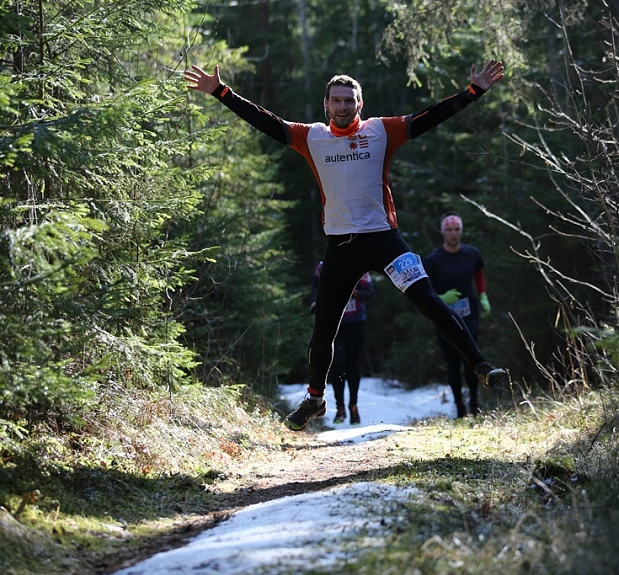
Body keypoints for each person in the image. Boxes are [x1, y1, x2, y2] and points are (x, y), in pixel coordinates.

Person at [184, 59, 509, 432]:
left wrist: (473, 91)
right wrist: (221, 92)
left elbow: (429, 117)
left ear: (360, 103)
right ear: (326, 105)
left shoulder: (381, 131)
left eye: (348, 100)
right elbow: (266, 121)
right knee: (324, 328)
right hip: (341, 245)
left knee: (430, 302)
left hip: (384, 239)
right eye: (335, 100)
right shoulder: (312, 137)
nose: (342, 106)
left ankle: (481, 365)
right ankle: (315, 399)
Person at [424, 212, 491, 418]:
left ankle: (474, 403)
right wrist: (441, 298)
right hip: (444, 316)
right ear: (443, 232)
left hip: (469, 313)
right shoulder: (433, 260)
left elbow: (478, 275)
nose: (453, 234)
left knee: (471, 360)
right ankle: (459, 406)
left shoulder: (472, 254)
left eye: (457, 229)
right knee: (452, 363)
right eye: (449, 230)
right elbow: (424, 289)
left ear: (461, 231)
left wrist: (482, 296)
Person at [310, 261, 373, 425]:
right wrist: (314, 302)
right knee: (337, 363)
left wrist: (353, 292)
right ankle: (340, 408)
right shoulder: (323, 266)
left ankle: (353, 406)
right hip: (334, 322)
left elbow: (370, 294)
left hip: (356, 322)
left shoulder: (360, 265)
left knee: (353, 365)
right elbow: (315, 287)